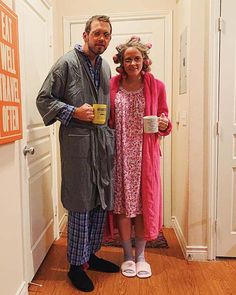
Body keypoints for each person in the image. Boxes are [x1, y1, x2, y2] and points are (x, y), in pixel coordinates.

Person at [36, 15, 119, 292]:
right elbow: (44, 99)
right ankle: (75, 265)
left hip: (101, 144)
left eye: (106, 35)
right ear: (85, 35)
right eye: (97, 33)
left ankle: (91, 256)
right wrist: (73, 112)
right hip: (78, 144)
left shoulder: (105, 67)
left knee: (98, 200)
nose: (102, 39)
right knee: (80, 201)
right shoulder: (66, 64)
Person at [109, 36, 172, 278]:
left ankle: (142, 256)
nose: (133, 63)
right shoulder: (113, 84)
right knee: (124, 207)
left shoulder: (157, 86)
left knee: (144, 207)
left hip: (145, 157)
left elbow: (165, 118)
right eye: (128, 59)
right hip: (121, 156)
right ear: (122, 63)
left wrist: (165, 123)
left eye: (137, 58)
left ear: (144, 60)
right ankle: (127, 256)